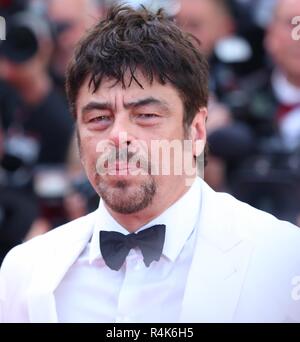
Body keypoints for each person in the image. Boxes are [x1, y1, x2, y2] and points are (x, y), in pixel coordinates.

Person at [0, 5, 300, 323]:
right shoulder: (26, 272)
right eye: (98, 118)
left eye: (146, 116)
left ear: (196, 131)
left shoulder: (282, 260)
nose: (118, 136)